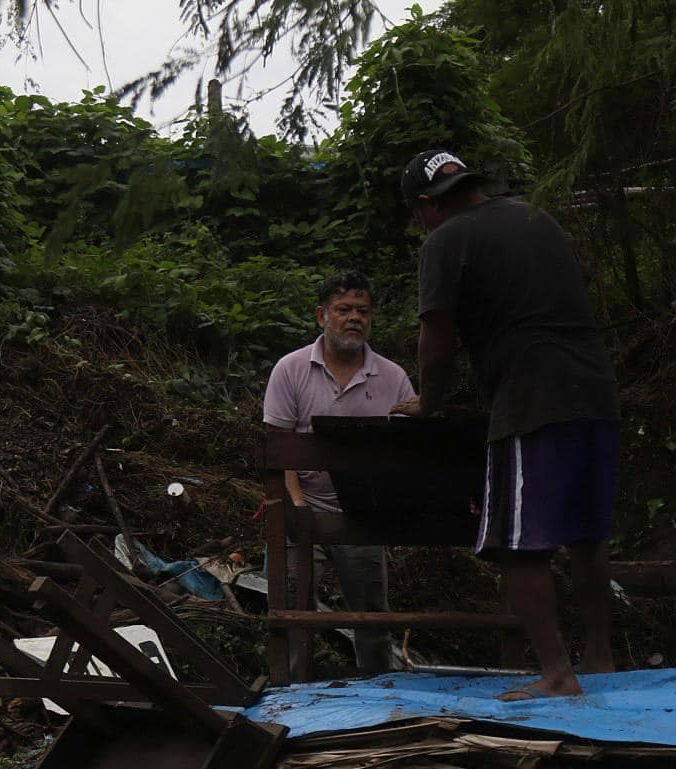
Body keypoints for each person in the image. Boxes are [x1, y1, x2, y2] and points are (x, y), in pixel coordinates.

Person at [390, 148, 622, 699]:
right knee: (586, 534)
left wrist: (429, 403)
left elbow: (437, 341)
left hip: (530, 396)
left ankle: (557, 674)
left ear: (427, 205)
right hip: (594, 390)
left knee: (515, 543)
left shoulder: (446, 240)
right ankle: (600, 657)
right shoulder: (539, 218)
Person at [263, 270, 416, 678]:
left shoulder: (393, 377)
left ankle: (379, 689)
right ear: (321, 315)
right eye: (344, 310)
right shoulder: (291, 369)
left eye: (362, 311)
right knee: (291, 605)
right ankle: (290, 690)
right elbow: (278, 448)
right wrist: (298, 509)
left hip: (363, 512)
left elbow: (407, 452)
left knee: (371, 614)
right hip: (303, 502)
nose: (354, 319)